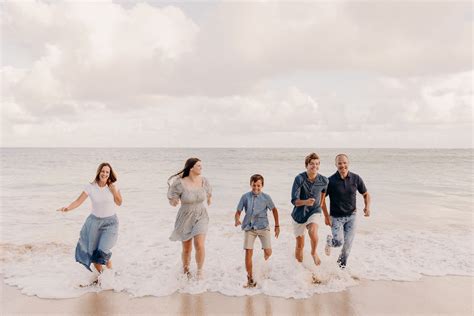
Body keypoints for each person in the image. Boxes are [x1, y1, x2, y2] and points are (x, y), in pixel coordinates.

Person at [58, 162, 122, 284]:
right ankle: (105, 276)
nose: (104, 174)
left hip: (110, 223)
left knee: (103, 250)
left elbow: (119, 203)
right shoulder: (91, 187)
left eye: (107, 172)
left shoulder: (113, 186)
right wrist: (67, 208)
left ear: (110, 174)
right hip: (94, 223)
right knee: (93, 256)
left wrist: (113, 191)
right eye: (103, 171)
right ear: (99, 172)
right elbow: (78, 201)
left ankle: (109, 277)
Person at [323, 153, 371, 269]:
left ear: (348, 164)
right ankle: (330, 241)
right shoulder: (330, 181)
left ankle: (341, 270)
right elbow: (322, 200)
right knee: (339, 242)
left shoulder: (356, 178)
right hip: (336, 217)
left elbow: (366, 194)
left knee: (347, 246)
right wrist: (326, 216)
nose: (342, 165)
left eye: (345, 163)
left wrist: (367, 206)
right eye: (340, 163)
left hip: (352, 217)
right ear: (336, 164)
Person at [167, 157, 212, 279]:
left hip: (201, 215)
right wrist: (174, 201)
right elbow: (172, 196)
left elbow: (208, 192)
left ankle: (199, 272)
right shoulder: (180, 182)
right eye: (198, 166)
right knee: (187, 249)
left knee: (199, 244)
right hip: (185, 217)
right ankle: (186, 271)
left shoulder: (204, 181)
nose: (201, 168)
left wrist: (209, 198)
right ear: (191, 168)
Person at [234, 174, 280, 288]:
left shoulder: (266, 197)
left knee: (268, 252)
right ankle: (250, 278)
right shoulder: (245, 197)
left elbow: (274, 210)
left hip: (263, 227)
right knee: (248, 252)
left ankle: (258, 267)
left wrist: (277, 226)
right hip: (249, 228)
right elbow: (238, 211)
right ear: (251, 184)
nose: (256, 188)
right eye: (254, 185)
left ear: (262, 185)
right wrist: (237, 219)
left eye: (258, 185)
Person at [291, 152, 329, 267]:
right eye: (312, 164)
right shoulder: (299, 178)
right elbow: (294, 201)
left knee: (313, 231)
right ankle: (300, 269)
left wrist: (327, 216)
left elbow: (322, 199)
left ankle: (313, 252)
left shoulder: (324, 180)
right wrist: (306, 202)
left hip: (314, 211)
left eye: (317, 164)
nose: (314, 166)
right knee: (299, 245)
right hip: (298, 215)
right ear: (306, 165)